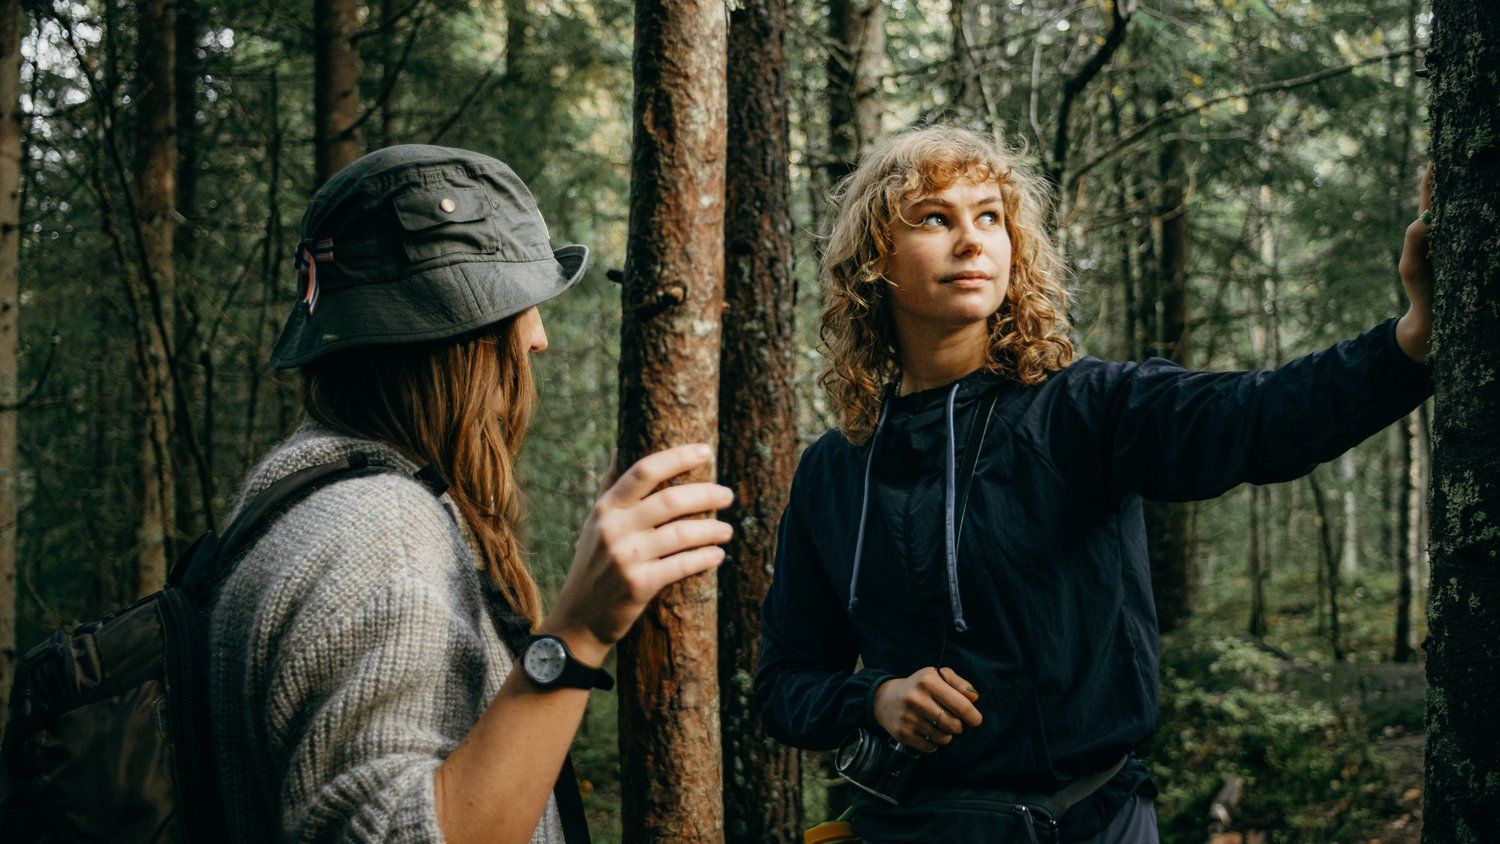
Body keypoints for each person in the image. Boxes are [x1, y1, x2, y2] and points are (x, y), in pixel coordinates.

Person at [754, 125, 1435, 843]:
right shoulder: (836, 469)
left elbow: (1254, 419)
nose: (970, 240)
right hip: (907, 828)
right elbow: (784, 685)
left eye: (989, 216)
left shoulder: (1084, 409)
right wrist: (876, 698)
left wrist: (1407, 345)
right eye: (934, 217)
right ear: (873, 261)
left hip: (1087, 823)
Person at [210, 145, 734, 844]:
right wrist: (576, 633)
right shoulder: (376, 530)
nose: (538, 337)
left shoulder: (306, 501)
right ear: (452, 333)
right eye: (518, 304)